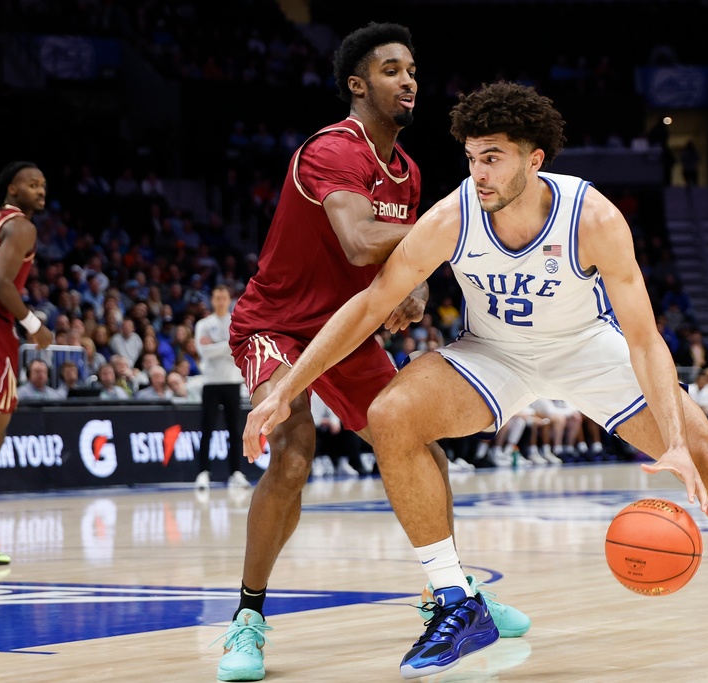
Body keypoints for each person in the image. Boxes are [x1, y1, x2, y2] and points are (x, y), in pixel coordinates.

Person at [243, 82, 708, 677]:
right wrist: (290, 387)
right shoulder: (455, 214)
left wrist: (670, 437)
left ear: (534, 160)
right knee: (390, 414)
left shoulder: (592, 217)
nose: (478, 173)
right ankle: (457, 600)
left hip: (585, 349)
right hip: (494, 353)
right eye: (471, 158)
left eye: (493, 159)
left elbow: (643, 338)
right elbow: (373, 304)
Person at [216, 25, 528, 682]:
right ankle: (247, 618)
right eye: (391, 70)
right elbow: (360, 240)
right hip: (276, 326)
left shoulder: (408, 172)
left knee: (415, 442)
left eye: (412, 69)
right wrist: (456, 226)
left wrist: (405, 295)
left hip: (347, 331)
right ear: (358, 85)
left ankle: (449, 592)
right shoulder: (334, 147)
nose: (407, 80)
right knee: (295, 453)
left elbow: (383, 268)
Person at [0, 161, 54, 565]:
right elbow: (1, 283)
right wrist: (35, 325)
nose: (40, 190)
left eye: (43, 185)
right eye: (32, 184)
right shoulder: (20, 226)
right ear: (11, 189)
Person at [194, 285, 248, 490]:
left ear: (229, 300)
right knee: (207, 429)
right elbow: (203, 351)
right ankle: (203, 473)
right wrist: (228, 344)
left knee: (234, 430)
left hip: (233, 381)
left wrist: (217, 345)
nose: (221, 301)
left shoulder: (237, 322)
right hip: (210, 382)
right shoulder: (203, 324)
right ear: (212, 300)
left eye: (224, 297)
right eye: (217, 297)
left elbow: (240, 346)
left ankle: (235, 472)